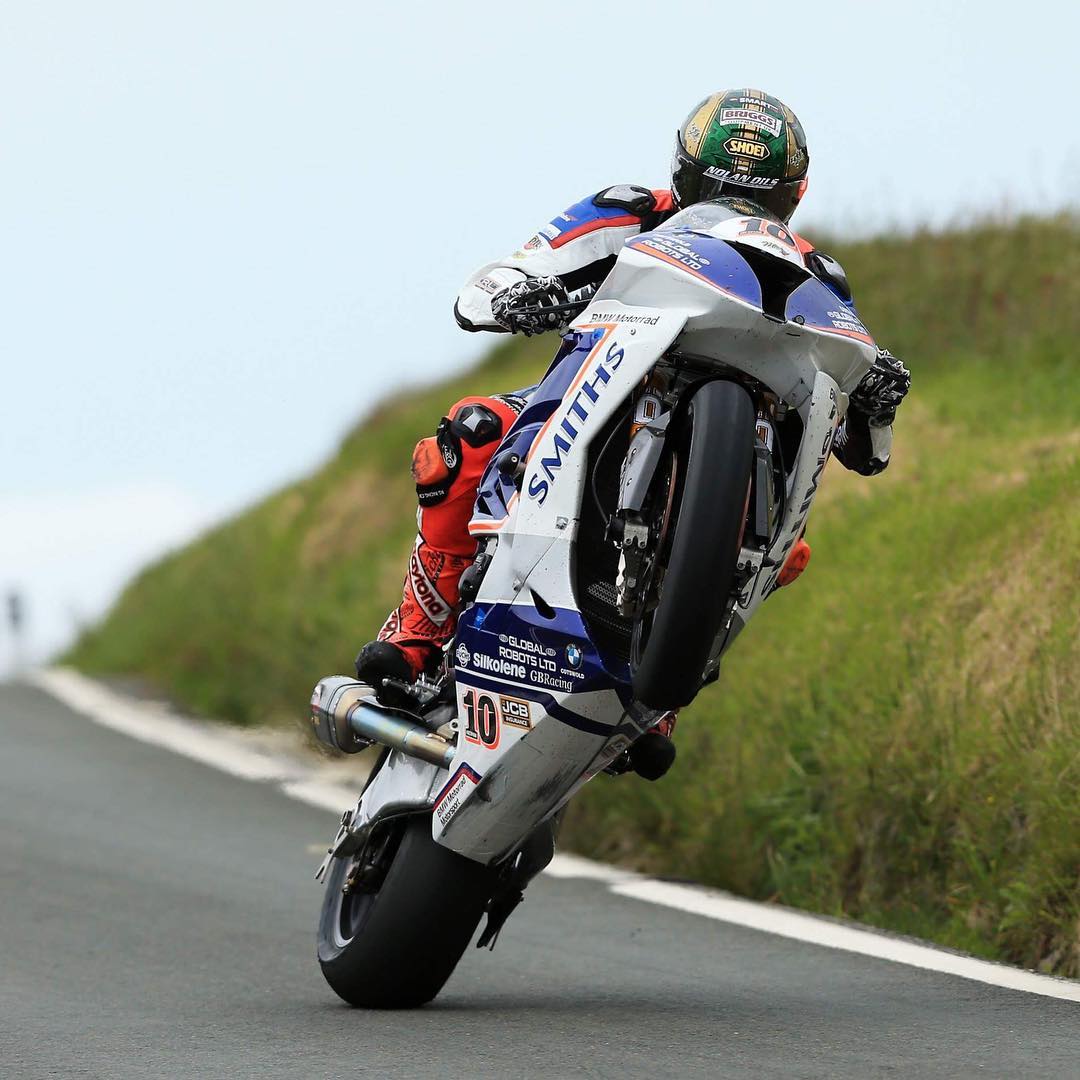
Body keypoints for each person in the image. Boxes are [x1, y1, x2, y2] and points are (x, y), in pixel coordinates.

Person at [355, 88, 911, 727]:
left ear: (793, 196)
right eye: (718, 188)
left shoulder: (816, 274)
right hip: (599, 393)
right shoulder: (629, 213)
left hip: (748, 448)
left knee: (793, 552)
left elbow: (865, 450)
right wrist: (526, 294)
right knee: (471, 433)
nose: (738, 209)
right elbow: (498, 281)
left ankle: (681, 638)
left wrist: (877, 393)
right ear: (683, 176)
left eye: (756, 196)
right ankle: (416, 636)